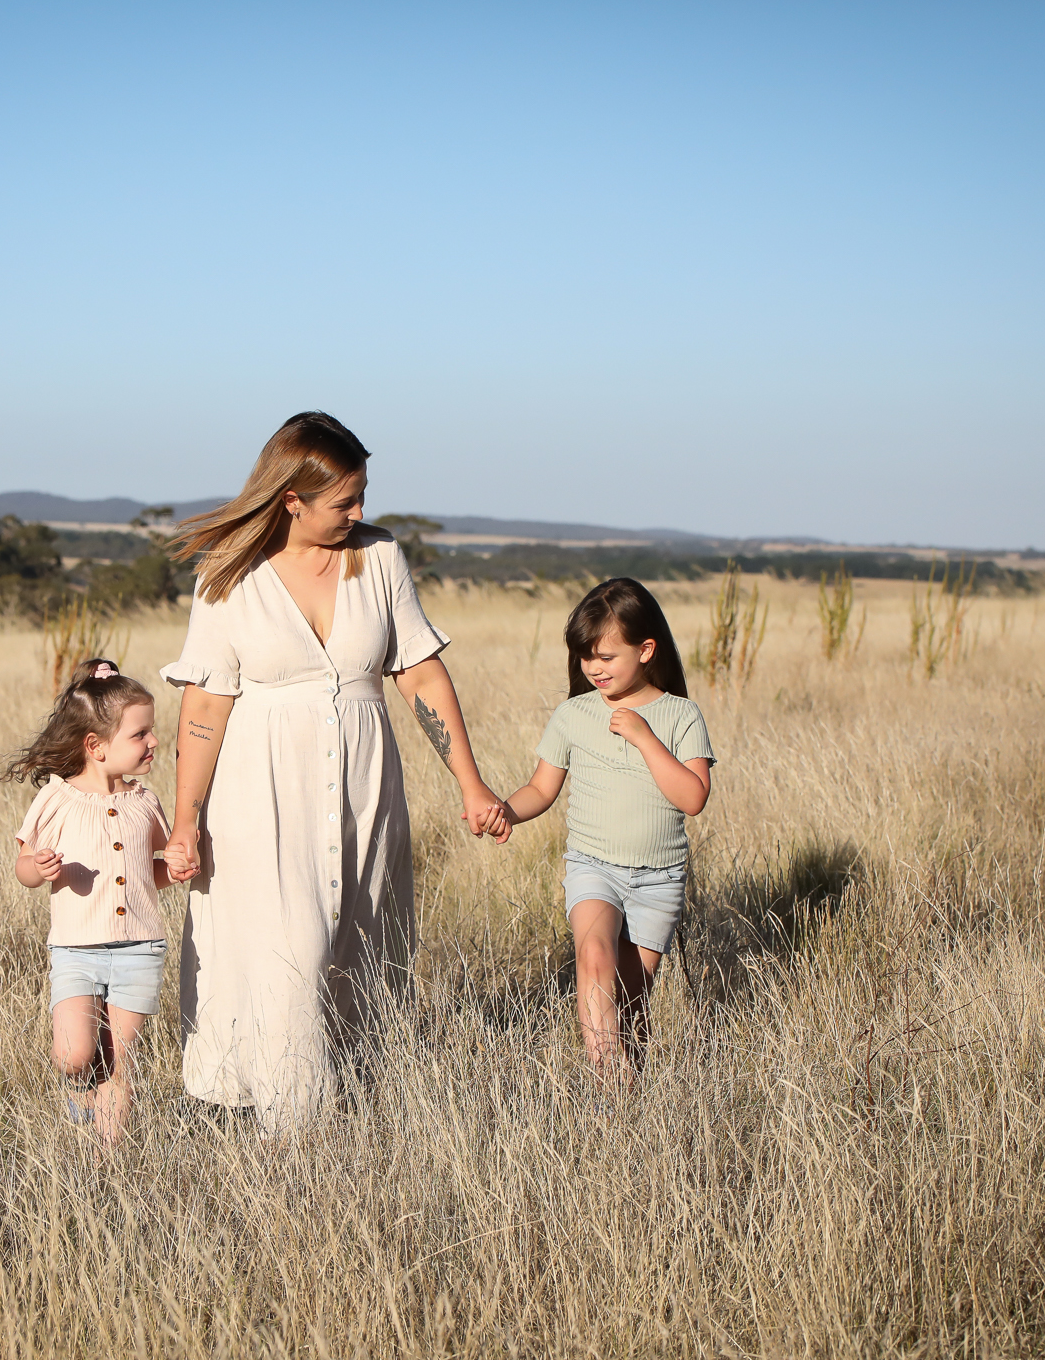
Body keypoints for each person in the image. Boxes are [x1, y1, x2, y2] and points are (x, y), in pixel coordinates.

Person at [159, 411, 508, 1130]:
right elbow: (204, 705)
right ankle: (293, 1135)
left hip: (363, 785)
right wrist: (185, 820)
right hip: (261, 788)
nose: (359, 512)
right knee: (290, 951)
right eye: (343, 501)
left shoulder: (378, 558)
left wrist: (470, 784)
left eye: (362, 496)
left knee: (360, 946)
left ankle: (354, 1115)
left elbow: (419, 672)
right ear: (291, 498)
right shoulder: (229, 572)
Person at [500, 578, 715, 1087]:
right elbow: (540, 788)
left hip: (659, 879)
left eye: (606, 656)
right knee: (593, 957)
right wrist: (505, 811)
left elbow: (693, 797)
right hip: (594, 868)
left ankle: (629, 1103)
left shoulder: (680, 716)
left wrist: (644, 738)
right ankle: (607, 1089)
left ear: (645, 650)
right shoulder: (573, 715)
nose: (594, 668)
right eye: (585, 657)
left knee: (632, 1002)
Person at [3, 659, 173, 1144]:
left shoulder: (145, 801)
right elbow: (23, 868)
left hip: (140, 947)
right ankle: (78, 1098)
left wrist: (175, 869)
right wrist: (38, 868)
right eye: (141, 735)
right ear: (95, 747)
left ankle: (106, 1168)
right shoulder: (58, 800)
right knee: (75, 1056)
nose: (154, 742)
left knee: (119, 1062)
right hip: (76, 951)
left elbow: (150, 872)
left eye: (152, 731)